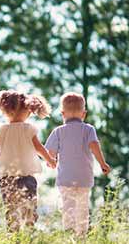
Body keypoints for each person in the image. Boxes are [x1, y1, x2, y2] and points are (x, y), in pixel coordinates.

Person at [0, 90, 56, 232]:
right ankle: (29, 232)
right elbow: (39, 148)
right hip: (27, 176)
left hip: (6, 177)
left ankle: (13, 235)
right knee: (29, 207)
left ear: (6, 110)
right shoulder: (28, 129)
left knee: (11, 208)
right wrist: (50, 160)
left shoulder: (1, 129)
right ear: (26, 110)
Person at [44, 92, 110, 236]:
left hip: (66, 178)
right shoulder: (88, 129)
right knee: (82, 208)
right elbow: (94, 145)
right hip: (84, 178)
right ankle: (82, 235)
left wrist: (51, 161)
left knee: (68, 207)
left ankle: (69, 235)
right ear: (84, 114)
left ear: (62, 114)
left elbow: (49, 152)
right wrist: (102, 163)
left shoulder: (58, 131)